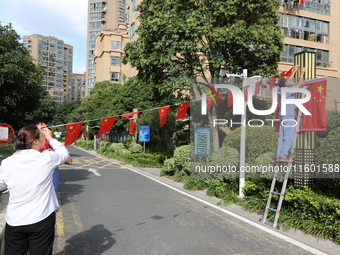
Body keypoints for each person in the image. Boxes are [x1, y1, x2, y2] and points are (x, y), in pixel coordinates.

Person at [0, 125, 70, 254]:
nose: (44, 139)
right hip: (41, 218)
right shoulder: (47, 157)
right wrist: (51, 137)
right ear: (35, 141)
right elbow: (64, 154)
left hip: (15, 220)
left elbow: (1, 185)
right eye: (42, 136)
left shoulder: (8, 162)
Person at [28, 118, 72, 195]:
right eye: (43, 128)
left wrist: (51, 142)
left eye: (47, 128)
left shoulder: (51, 149)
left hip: (51, 194)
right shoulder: (26, 151)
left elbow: (69, 160)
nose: (46, 130)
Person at [276, 65, 306, 161]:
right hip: (288, 116)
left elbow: (287, 81)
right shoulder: (287, 90)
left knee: (282, 137)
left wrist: (293, 71)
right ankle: (283, 155)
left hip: (282, 116)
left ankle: (279, 155)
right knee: (288, 137)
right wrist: (301, 73)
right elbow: (300, 83)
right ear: (285, 84)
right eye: (288, 81)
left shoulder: (280, 90)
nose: (289, 81)